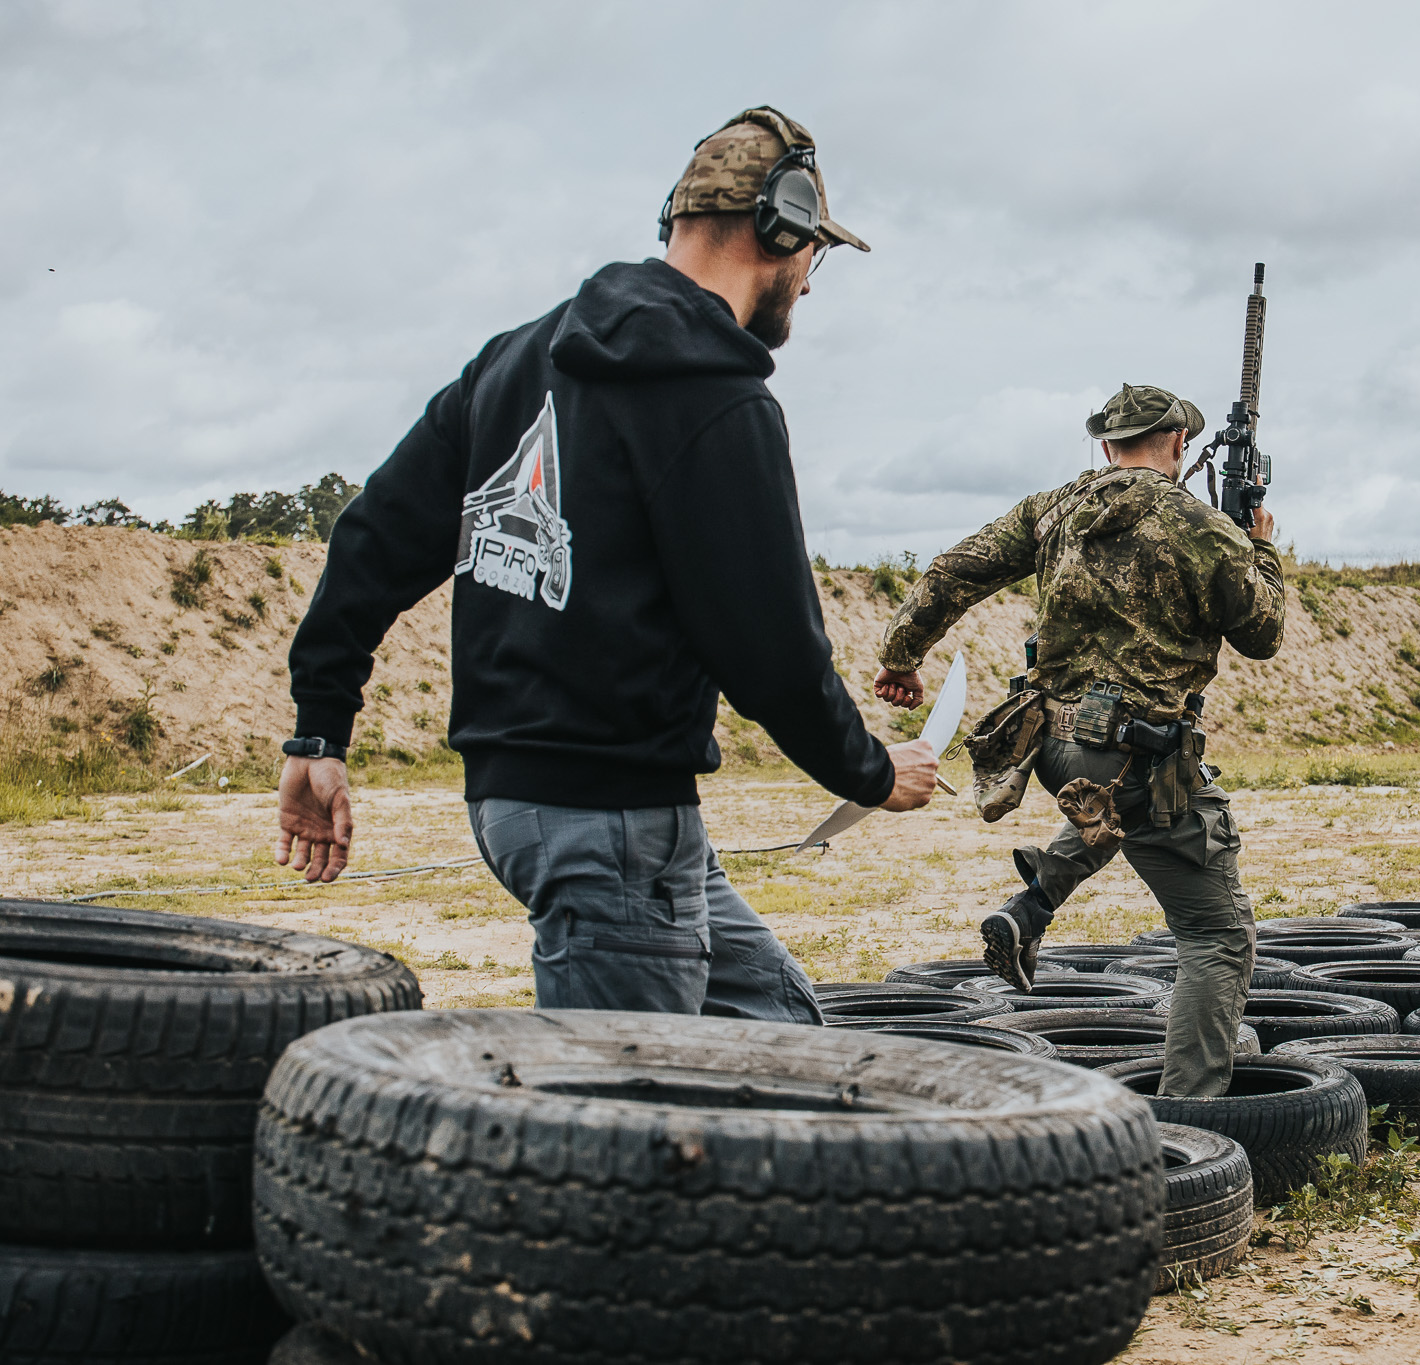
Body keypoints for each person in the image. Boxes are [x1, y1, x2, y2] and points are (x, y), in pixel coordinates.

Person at [275, 106, 936, 1021]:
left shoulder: (512, 361)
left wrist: (319, 729)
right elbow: (770, 649)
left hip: (529, 808)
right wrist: (869, 771)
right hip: (613, 824)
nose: (810, 284)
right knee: (632, 1126)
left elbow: (371, 542)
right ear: (779, 228)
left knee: (782, 1030)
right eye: (812, 254)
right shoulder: (717, 397)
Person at [873, 384, 1285, 1095]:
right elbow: (1264, 633)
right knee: (1217, 935)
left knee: (1122, 801)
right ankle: (1193, 1126)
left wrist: (901, 654)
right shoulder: (1201, 526)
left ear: (1105, 446)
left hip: (1053, 747)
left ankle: (1029, 905)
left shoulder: (1054, 509)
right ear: (1179, 444)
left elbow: (955, 570)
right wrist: (1261, 548)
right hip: (1138, 744)